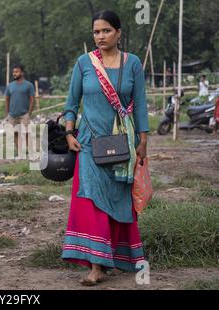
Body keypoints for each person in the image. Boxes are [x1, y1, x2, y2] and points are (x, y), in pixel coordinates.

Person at [62, 10, 149, 286]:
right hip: (88, 142)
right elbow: (70, 103)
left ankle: (116, 256)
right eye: (96, 32)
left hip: (123, 144)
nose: (100, 36)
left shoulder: (132, 63)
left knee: (118, 199)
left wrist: (144, 139)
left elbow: (141, 103)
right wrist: (68, 132)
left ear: (119, 33)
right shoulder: (84, 63)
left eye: (106, 31)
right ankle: (96, 266)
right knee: (93, 200)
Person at [5, 65, 35, 155]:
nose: (14, 74)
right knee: (15, 133)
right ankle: (19, 151)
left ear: (22, 73)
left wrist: (29, 112)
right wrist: (7, 113)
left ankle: (30, 151)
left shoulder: (29, 85)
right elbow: (7, 99)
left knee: (26, 133)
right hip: (12, 115)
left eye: (17, 72)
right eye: (13, 72)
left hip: (24, 114)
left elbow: (32, 99)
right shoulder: (10, 86)